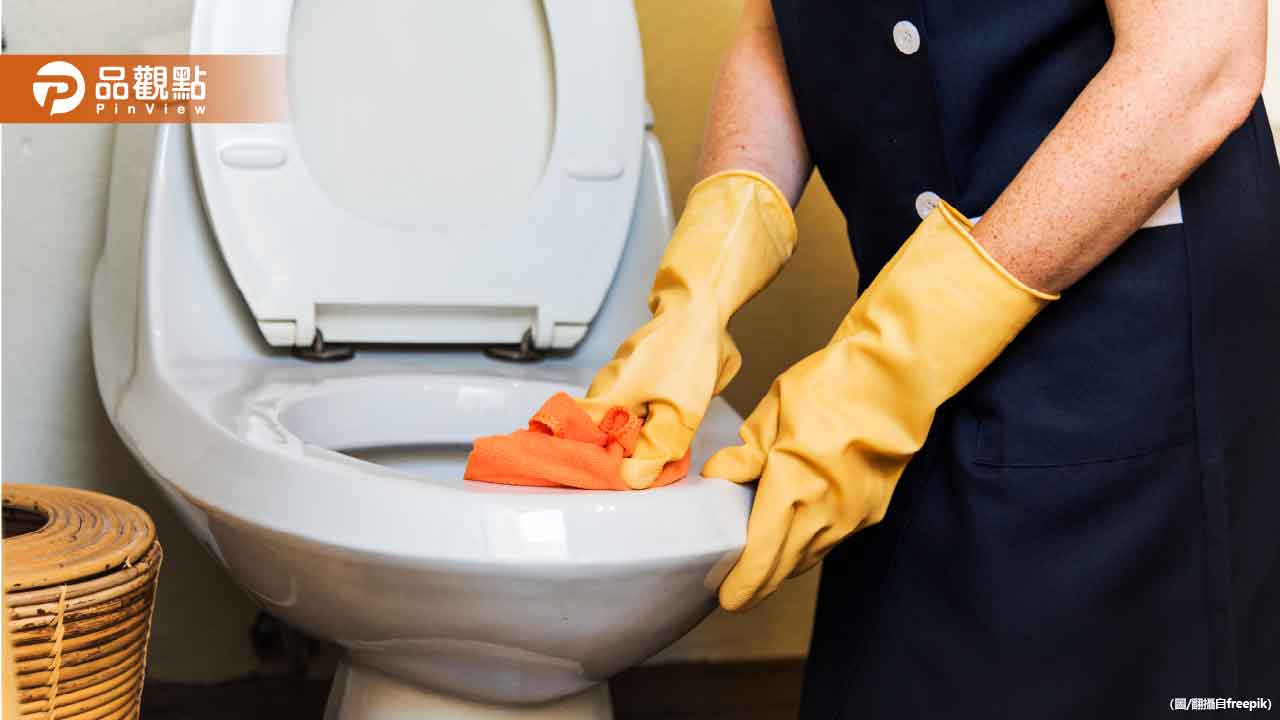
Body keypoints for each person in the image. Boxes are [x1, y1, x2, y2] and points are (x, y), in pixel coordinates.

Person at [579, 0, 1278, 715]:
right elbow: (778, 26)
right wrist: (708, 275)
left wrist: (891, 362)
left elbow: (1202, 55)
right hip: (907, 334)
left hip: (1123, 336)